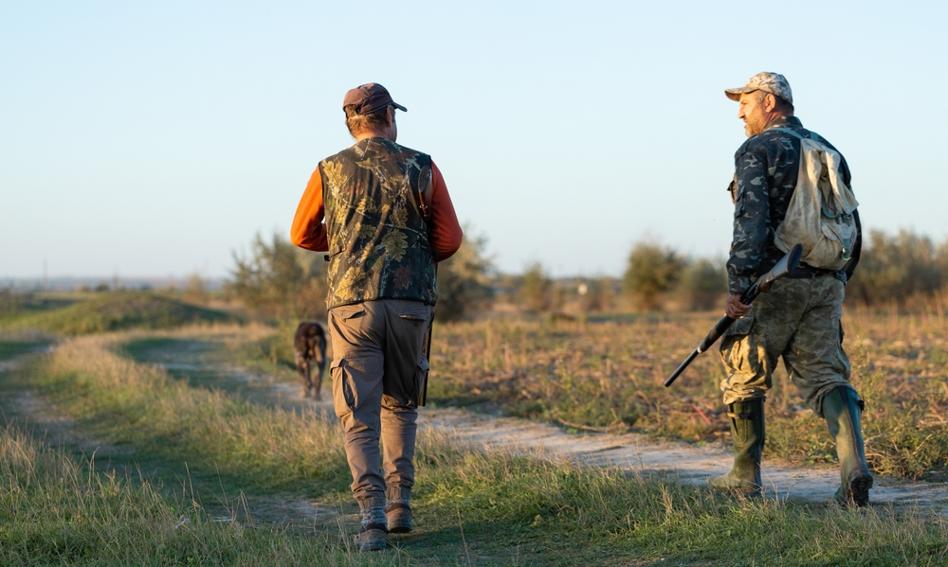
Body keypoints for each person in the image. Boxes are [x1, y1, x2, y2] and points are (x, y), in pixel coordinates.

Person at [290, 83, 463, 550]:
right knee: (401, 404)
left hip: (351, 306)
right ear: (388, 116)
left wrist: (349, 244)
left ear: (351, 122)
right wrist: (409, 253)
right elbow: (449, 239)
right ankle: (399, 504)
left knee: (358, 413)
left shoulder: (328, 169)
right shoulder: (422, 165)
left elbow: (302, 234)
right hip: (410, 303)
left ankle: (371, 519)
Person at [713, 72, 872, 506]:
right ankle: (853, 470)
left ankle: (745, 476)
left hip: (775, 282)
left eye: (744, 103)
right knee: (827, 376)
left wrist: (739, 286)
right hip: (826, 281)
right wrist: (838, 279)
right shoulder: (827, 148)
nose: (740, 114)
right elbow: (851, 222)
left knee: (744, 371)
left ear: (768, 101)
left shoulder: (758, 149)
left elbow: (751, 221)